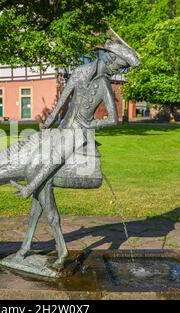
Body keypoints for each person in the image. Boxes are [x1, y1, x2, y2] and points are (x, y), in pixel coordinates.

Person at [11, 29, 141, 198]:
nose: (116, 72)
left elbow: (113, 120)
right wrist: (48, 123)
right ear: (110, 58)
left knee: (57, 155)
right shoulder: (80, 72)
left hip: (79, 132)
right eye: (118, 67)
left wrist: (92, 124)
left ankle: (29, 189)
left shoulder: (104, 84)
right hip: (64, 125)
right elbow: (62, 100)